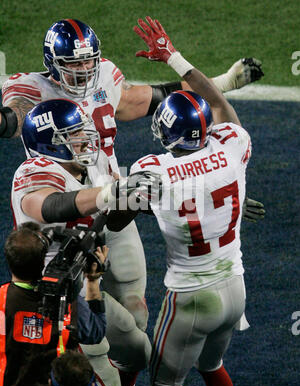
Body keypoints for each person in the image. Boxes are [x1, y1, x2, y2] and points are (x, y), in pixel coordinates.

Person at [0, 19, 264, 329]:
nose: (85, 69)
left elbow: (146, 99)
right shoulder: (32, 89)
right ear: (53, 63)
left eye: (89, 59)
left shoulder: (105, 78)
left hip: (115, 203)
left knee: (136, 312)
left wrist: (221, 83)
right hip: (66, 216)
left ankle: (122, 375)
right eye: (74, 62)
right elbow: (13, 118)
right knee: (75, 321)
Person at [108, 16, 255, 386]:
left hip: (192, 295)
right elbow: (218, 99)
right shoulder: (232, 145)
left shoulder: (152, 169)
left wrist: (128, 197)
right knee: (212, 366)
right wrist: (172, 56)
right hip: (234, 286)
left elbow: (115, 222)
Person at [10, 98, 158, 386]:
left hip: (86, 276)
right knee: (100, 368)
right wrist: (112, 192)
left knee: (137, 350)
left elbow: (113, 220)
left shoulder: (94, 163)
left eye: (82, 129)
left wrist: (138, 200)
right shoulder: (33, 170)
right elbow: (52, 206)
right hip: (51, 293)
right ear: (49, 144)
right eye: (73, 133)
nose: (84, 138)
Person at [0, 222, 107, 386]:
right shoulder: (68, 303)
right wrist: (93, 281)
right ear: (43, 262)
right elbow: (96, 332)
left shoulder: (1, 299)